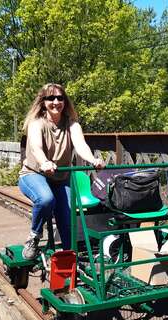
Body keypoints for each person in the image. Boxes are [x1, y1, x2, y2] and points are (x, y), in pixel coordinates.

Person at [19, 83, 104, 259]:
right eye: (51, 98)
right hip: (33, 174)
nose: (56, 102)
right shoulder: (37, 124)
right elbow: (36, 147)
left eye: (60, 98)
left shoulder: (72, 125)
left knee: (68, 217)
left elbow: (81, 145)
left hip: (60, 178)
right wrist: (44, 162)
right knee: (45, 199)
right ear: (43, 102)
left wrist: (93, 160)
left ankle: (70, 258)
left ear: (65, 101)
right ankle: (34, 237)